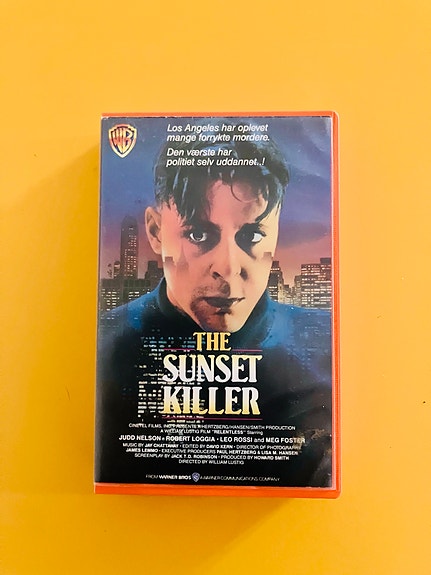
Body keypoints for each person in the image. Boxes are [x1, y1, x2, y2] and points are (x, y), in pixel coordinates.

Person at [95, 120, 332, 488]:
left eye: (253, 234)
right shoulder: (105, 344)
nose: (228, 267)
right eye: (199, 234)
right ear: (155, 232)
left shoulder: (324, 345)